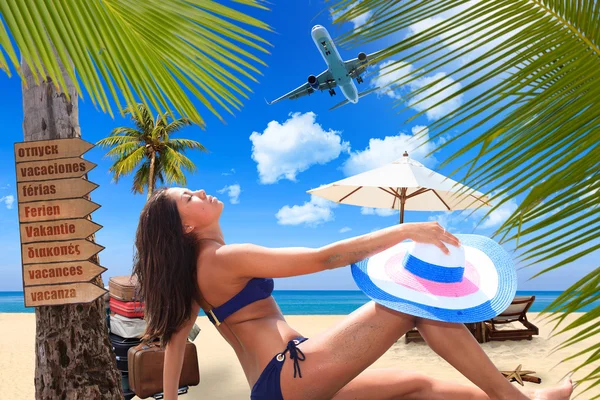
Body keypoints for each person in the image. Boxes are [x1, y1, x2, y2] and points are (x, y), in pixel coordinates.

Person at [133, 187, 575, 400]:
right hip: (290, 376)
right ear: (186, 226)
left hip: (276, 386)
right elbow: (325, 258)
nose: (199, 192)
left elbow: (175, 339)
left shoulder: (193, 271)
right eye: (188, 197)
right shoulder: (227, 257)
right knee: (408, 304)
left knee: (418, 385)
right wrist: (406, 229)